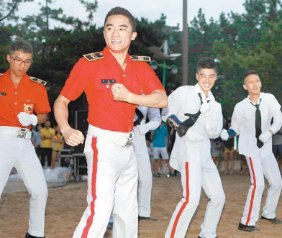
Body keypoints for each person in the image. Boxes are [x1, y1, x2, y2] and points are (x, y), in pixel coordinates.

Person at [53, 7, 167, 238]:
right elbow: (61, 101)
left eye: (122, 28)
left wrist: (130, 97)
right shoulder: (89, 63)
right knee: (100, 210)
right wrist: (65, 128)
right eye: (110, 28)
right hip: (102, 143)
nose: (115, 33)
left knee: (128, 212)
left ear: (133, 35)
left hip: (130, 145)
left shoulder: (141, 66)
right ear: (104, 34)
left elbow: (161, 99)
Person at [164, 58, 224, 238]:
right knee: (191, 199)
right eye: (203, 76)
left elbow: (214, 133)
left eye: (211, 76)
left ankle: (207, 234)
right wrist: (181, 129)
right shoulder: (184, 92)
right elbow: (167, 113)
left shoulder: (216, 105)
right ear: (197, 76)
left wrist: (208, 114)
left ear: (216, 78)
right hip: (188, 152)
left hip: (205, 154)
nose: (207, 80)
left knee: (218, 197)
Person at [221, 70, 282, 232]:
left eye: (257, 80)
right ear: (245, 86)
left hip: (266, 148)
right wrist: (226, 133)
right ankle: (246, 222)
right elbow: (235, 128)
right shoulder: (240, 107)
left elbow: (279, 119)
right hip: (250, 149)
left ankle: (268, 213)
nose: (254, 84)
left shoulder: (269, 99)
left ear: (261, 83)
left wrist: (269, 132)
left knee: (277, 183)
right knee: (258, 184)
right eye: (250, 82)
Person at [0, 39, 49, 238]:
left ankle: (35, 234)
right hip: (2, 140)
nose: (22, 65)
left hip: (25, 142)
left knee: (40, 190)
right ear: (9, 58)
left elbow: (44, 114)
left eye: (27, 61)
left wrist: (33, 118)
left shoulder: (37, 86)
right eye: (18, 60)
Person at [133, 106, 161, 220]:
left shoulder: (148, 93)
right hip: (118, 133)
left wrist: (145, 127)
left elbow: (156, 119)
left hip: (139, 133)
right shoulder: (118, 88)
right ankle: (114, 215)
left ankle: (143, 212)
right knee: (120, 177)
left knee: (146, 177)